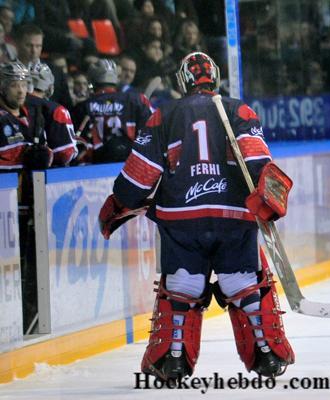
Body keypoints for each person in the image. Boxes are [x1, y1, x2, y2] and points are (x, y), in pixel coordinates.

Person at [97, 52, 294, 380]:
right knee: (241, 281)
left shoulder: (165, 114)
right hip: (234, 214)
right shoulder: (239, 109)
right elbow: (260, 165)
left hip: (181, 216)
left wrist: (120, 201)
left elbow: (139, 177)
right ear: (215, 78)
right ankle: (266, 355)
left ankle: (173, 359)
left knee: (183, 284)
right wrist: (270, 202)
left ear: (182, 82)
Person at [0, 61, 53, 333]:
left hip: (32, 205)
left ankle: (27, 319)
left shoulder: (33, 115)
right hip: (6, 208)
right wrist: (24, 156)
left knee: (31, 266)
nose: (20, 90)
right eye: (13, 84)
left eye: (23, 84)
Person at [79, 58, 153, 163]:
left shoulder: (83, 106)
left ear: (92, 82)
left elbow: (76, 147)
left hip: (95, 168)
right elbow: (152, 135)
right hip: (133, 166)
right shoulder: (137, 100)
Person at [26, 62, 78, 166]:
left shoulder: (10, 107)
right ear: (49, 86)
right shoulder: (56, 110)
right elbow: (65, 153)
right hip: (45, 174)